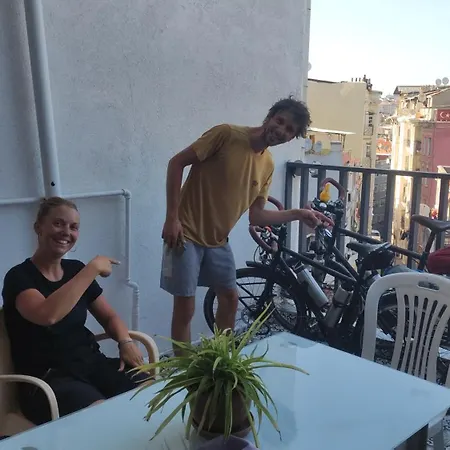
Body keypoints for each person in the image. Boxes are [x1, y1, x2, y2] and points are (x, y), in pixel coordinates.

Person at [161, 96, 332, 352]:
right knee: (185, 307)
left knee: (230, 299)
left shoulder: (268, 164)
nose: (281, 130)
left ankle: (221, 360)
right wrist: (172, 217)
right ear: (269, 116)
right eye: (280, 121)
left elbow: (257, 216)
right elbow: (176, 163)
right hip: (185, 233)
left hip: (218, 241)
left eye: (289, 130)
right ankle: (184, 369)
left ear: (291, 138)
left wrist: (298, 214)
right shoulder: (226, 135)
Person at [2, 197, 146, 425]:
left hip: (90, 364)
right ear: (38, 227)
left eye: (73, 227)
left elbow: (109, 316)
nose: (66, 232)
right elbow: (47, 315)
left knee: (151, 392)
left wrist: (125, 342)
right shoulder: (18, 277)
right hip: (49, 380)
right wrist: (92, 269)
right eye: (58, 223)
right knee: (102, 419)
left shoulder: (75, 270)